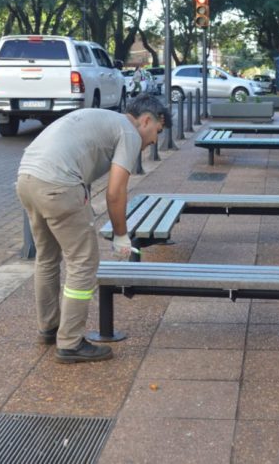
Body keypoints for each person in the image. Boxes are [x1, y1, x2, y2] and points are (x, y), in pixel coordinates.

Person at [16, 94, 170, 364]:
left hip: (27, 178)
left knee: (47, 258)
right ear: (146, 120)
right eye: (157, 131)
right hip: (58, 184)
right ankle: (70, 343)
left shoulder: (101, 117)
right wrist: (121, 234)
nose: (154, 140)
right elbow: (115, 192)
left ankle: (49, 328)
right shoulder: (129, 133)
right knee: (83, 263)